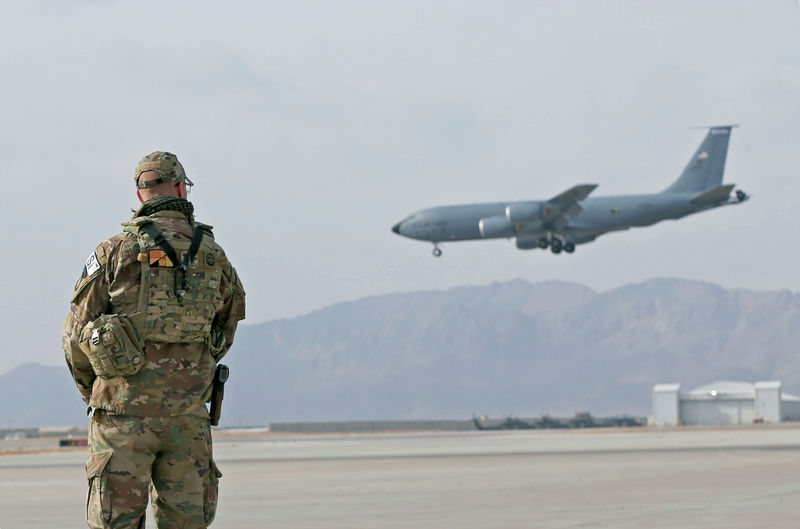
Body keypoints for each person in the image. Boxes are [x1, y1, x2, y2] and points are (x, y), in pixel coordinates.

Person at [62, 151, 246, 528]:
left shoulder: (115, 251)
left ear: (140, 193)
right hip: (187, 416)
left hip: (122, 416)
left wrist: (98, 390)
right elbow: (225, 330)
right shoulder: (214, 256)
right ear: (180, 189)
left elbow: (75, 335)